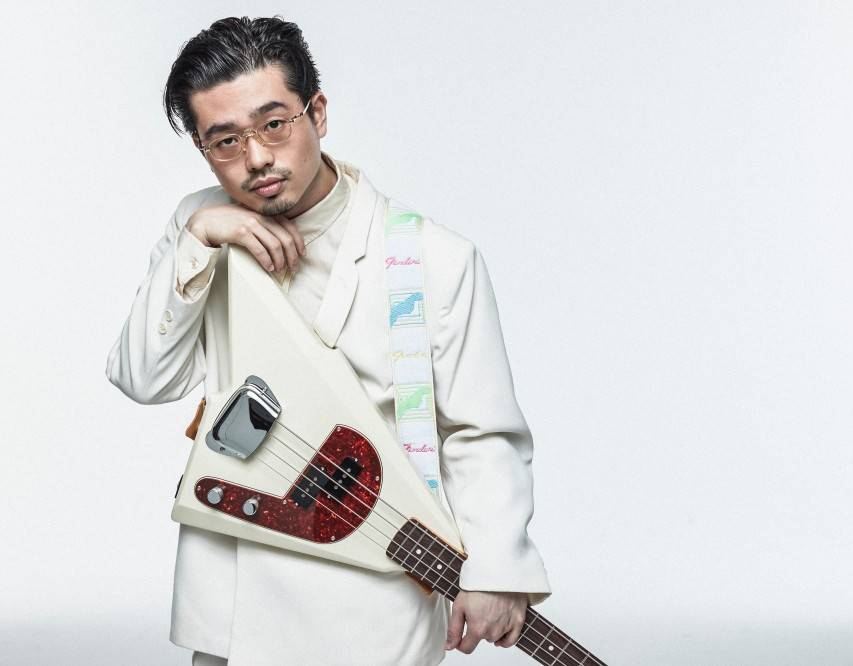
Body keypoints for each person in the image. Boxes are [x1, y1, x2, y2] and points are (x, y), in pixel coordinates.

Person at [106, 16, 550, 666]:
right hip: (240, 583)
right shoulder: (198, 228)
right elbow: (145, 379)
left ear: (316, 112)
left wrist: (496, 569)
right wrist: (197, 241)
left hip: (377, 584)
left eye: (273, 124)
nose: (256, 158)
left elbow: (480, 431)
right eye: (225, 141)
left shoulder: (434, 258)